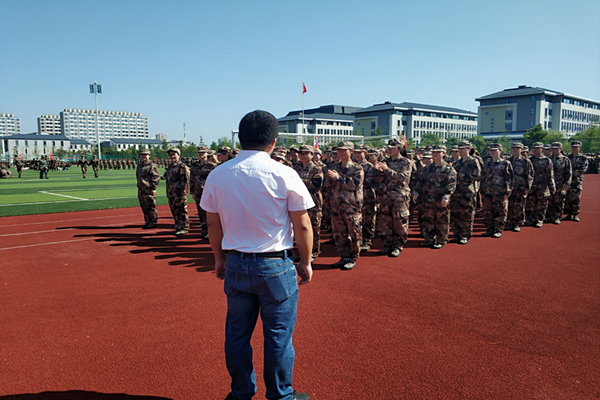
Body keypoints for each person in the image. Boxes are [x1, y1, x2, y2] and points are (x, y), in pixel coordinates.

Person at [200, 110, 313, 400]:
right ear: (273, 141)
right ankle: (280, 395)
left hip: (237, 262)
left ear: (240, 138)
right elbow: (302, 224)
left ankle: (240, 394)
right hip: (275, 264)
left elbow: (212, 224)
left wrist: (219, 258)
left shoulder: (218, 174)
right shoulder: (284, 173)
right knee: (278, 337)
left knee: (237, 334)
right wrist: (306, 261)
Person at [324, 141, 364, 270]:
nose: (340, 153)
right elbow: (327, 185)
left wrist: (338, 178)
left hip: (351, 206)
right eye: (339, 150)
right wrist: (330, 178)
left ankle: (353, 258)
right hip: (336, 206)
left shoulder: (357, 168)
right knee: (339, 234)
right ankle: (344, 257)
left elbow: (354, 185)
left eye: (344, 150)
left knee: (354, 234)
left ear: (351, 152)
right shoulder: (334, 167)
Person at [373, 139, 412, 257]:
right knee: (385, 221)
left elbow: (401, 178)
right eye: (388, 148)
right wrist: (379, 171)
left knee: (399, 221)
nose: (389, 150)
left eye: (392, 148)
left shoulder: (405, 162)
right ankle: (387, 244)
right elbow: (377, 179)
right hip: (385, 196)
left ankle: (397, 246)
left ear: (400, 149)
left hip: (399, 197)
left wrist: (386, 170)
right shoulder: (384, 161)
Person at [413, 145, 456, 249]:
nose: (435, 154)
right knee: (428, 220)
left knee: (442, 220)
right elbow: (420, 182)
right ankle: (429, 239)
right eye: (434, 152)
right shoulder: (427, 169)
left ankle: (441, 240)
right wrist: (416, 192)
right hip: (427, 199)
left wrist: (446, 196)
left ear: (444, 153)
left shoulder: (448, 169)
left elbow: (451, 184)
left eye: (438, 152)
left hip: (440, 199)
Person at [294, 145, 324, 262]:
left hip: (313, 202)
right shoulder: (296, 168)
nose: (303, 156)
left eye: (306, 153)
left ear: (312, 155)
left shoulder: (317, 168)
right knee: (300, 228)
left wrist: (300, 182)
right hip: (298, 201)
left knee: (314, 228)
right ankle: (303, 252)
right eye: (301, 153)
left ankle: (313, 252)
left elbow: (316, 185)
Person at [449, 140, 481, 245]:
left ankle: (465, 235)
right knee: (455, 215)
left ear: (469, 149)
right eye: (459, 149)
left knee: (466, 215)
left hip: (467, 192)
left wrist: (459, 175)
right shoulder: (457, 162)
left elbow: (475, 176)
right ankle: (457, 234)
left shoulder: (473, 161)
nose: (461, 150)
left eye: (463, 148)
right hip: (456, 192)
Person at [480, 144, 513, 238]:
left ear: (500, 151)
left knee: (500, 212)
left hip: (500, 192)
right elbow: (483, 177)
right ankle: (489, 229)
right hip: (488, 192)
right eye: (491, 150)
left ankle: (498, 230)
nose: (492, 152)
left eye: (495, 150)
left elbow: (509, 179)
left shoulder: (505, 163)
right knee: (488, 212)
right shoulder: (487, 163)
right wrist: (482, 190)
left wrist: (507, 192)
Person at [525, 142, 555, 228]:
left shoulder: (546, 160)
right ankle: (531, 220)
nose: (535, 150)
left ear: (542, 149)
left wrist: (552, 187)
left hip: (543, 186)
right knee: (531, 204)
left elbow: (550, 175)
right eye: (534, 148)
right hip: (532, 186)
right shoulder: (529, 160)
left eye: (537, 148)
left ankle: (539, 220)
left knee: (541, 205)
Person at [190, 145, 217, 239]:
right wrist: (192, 191)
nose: (201, 154)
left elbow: (215, 180)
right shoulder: (195, 165)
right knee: (200, 212)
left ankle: (211, 232)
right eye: (199, 152)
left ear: (207, 153)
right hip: (198, 192)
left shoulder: (212, 166)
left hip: (208, 193)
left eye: (203, 152)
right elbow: (192, 179)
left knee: (209, 213)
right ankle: (204, 231)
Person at [505, 142, 533, 232]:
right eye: (513, 148)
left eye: (517, 148)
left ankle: (517, 223)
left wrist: (527, 188)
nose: (515, 150)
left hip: (520, 187)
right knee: (509, 206)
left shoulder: (526, 161)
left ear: (521, 150)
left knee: (519, 206)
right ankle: (510, 222)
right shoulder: (507, 161)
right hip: (509, 188)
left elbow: (530, 175)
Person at [165, 148, 190, 235]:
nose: (172, 156)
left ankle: (184, 227)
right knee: (174, 210)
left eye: (174, 154)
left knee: (182, 211)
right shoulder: (170, 167)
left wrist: (184, 194)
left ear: (178, 155)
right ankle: (178, 227)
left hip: (179, 194)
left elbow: (186, 182)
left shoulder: (182, 167)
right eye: (170, 155)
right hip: (171, 193)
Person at [546, 142, 572, 224]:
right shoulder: (548, 159)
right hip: (549, 184)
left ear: (561, 149)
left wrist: (567, 184)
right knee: (549, 201)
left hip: (560, 184)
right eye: (552, 149)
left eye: (556, 149)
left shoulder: (565, 160)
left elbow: (569, 173)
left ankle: (557, 217)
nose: (554, 150)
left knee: (559, 201)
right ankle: (549, 216)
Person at [564, 141, 589, 221]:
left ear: (580, 148)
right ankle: (569, 214)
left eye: (576, 147)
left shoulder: (583, 158)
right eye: (572, 147)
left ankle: (575, 214)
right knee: (568, 198)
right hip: (568, 181)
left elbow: (583, 169)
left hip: (577, 181)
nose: (574, 148)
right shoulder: (568, 157)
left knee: (575, 198)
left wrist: (571, 172)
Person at [136, 149, 160, 229]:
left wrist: (153, 188)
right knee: (144, 206)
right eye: (142, 155)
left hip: (148, 189)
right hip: (141, 189)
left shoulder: (152, 166)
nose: (143, 156)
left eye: (145, 155)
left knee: (151, 206)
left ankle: (153, 221)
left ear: (149, 155)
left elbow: (155, 177)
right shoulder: (140, 165)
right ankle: (148, 221)